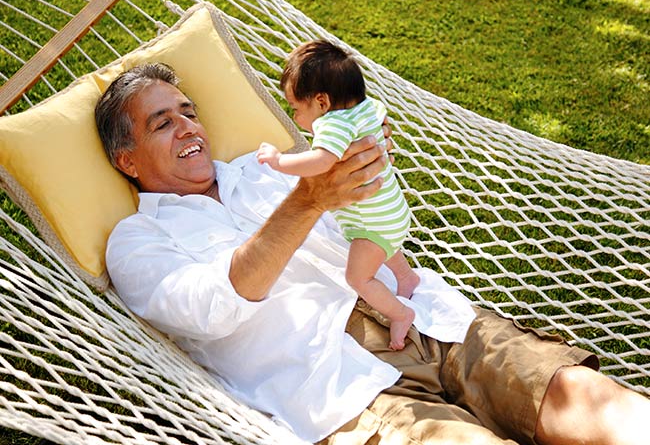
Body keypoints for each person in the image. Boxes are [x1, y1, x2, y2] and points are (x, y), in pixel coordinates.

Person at [96, 62, 649, 445]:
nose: (188, 127)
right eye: (162, 123)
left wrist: (361, 160)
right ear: (127, 159)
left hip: (432, 318)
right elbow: (209, 308)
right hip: (341, 386)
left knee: (582, 395)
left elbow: (365, 209)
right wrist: (307, 202)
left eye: (189, 112)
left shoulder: (264, 168)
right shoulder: (136, 242)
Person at [257, 40, 418, 350]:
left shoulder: (334, 123)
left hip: (372, 225)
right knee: (387, 247)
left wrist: (279, 161)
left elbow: (321, 161)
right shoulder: (368, 108)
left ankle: (401, 313)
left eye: (296, 109)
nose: (297, 119)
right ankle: (407, 279)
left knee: (358, 278)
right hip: (391, 212)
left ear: (321, 101)